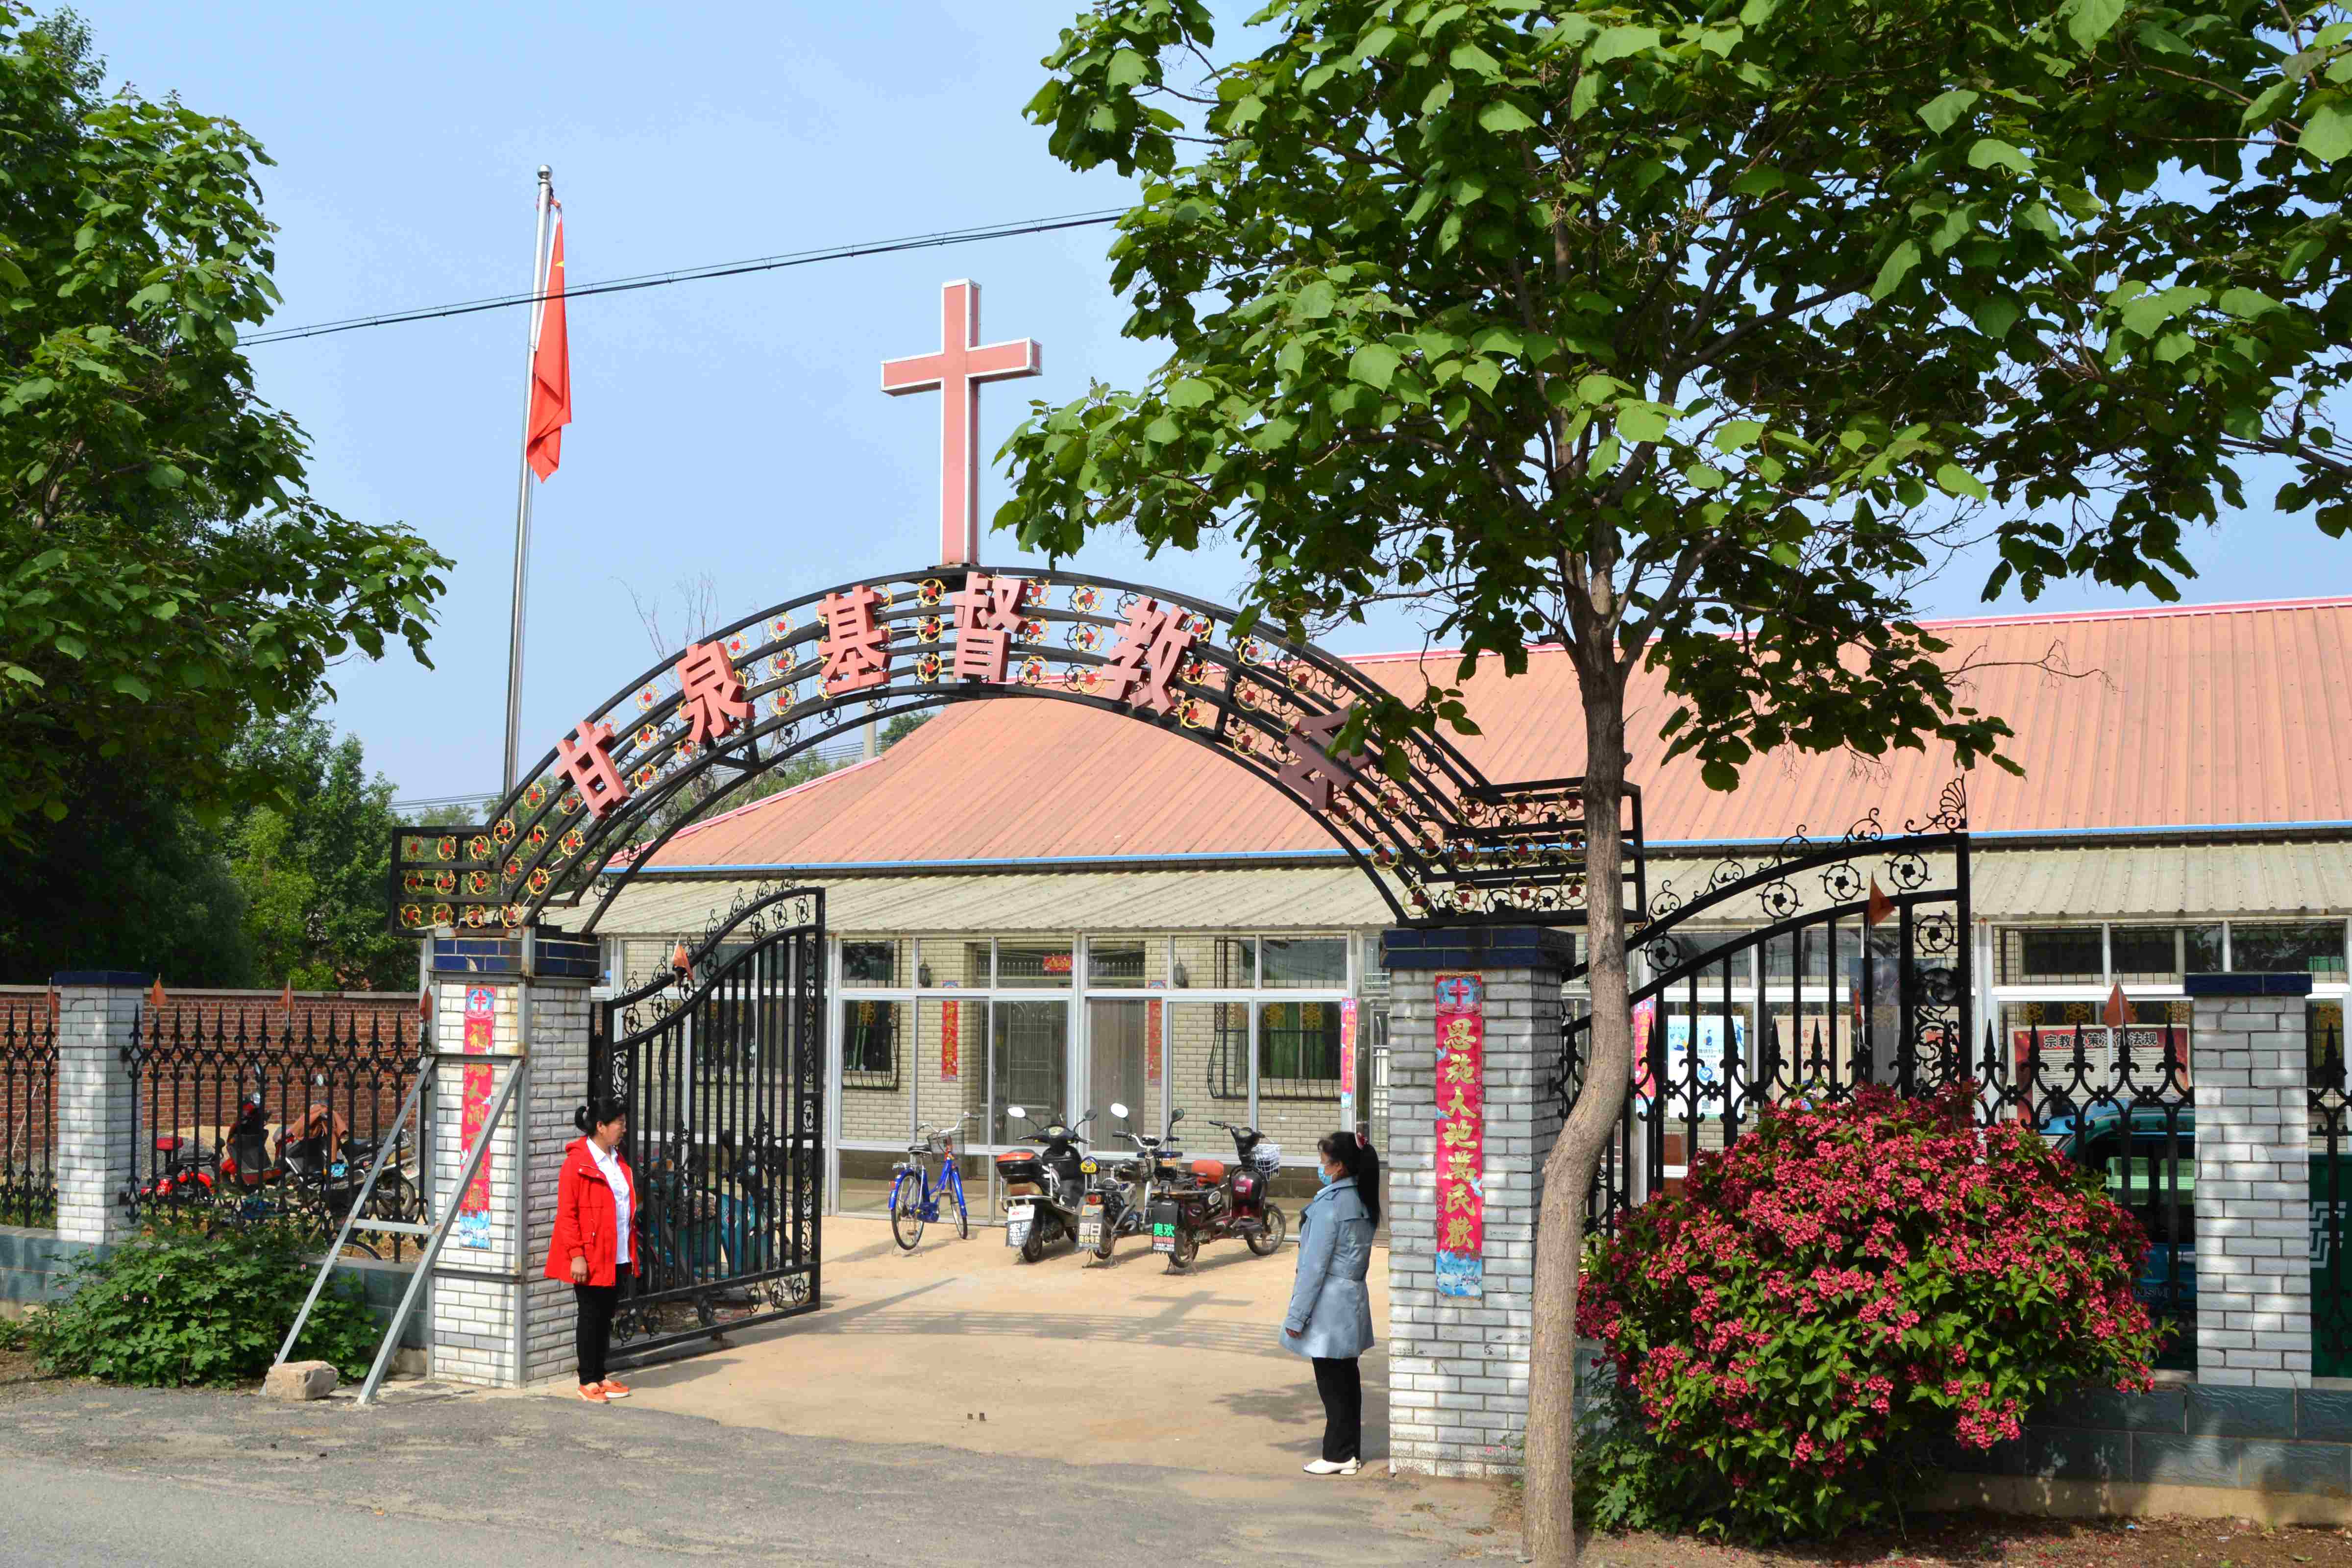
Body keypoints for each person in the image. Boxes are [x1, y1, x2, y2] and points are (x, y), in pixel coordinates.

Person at [1282, 1129, 1379, 1475]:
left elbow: (1313, 1268)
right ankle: (1349, 1453)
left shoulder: (1331, 1205)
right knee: (1347, 1381)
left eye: (1325, 1162)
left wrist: (1297, 1317)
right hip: (1352, 1298)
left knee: (1333, 1385)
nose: (1322, 1167)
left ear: (1339, 1166)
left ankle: (1338, 1455)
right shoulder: (1363, 1199)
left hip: (1328, 1304)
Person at [545, 1097, 638, 1404]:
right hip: (589, 1254)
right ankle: (587, 1379)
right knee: (590, 1315)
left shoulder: (617, 1160)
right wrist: (577, 1255)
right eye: (619, 1123)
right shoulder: (577, 1163)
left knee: (606, 1315)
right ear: (600, 1126)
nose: (624, 1128)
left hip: (617, 1253)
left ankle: (600, 1375)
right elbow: (567, 1214)